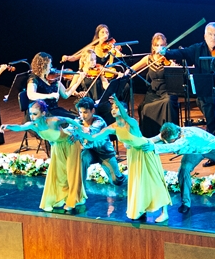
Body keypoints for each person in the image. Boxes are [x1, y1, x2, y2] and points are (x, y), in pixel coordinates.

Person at [72, 95, 170, 223]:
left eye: (117, 107)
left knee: (154, 181)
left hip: (145, 152)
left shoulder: (131, 122)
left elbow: (126, 117)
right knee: (138, 183)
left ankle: (165, 212)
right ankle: (141, 208)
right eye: (113, 107)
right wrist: (79, 131)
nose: (114, 110)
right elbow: (93, 138)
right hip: (133, 155)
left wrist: (118, 101)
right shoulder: (112, 127)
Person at [162, 22, 215, 150]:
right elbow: (180, 53)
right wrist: (166, 52)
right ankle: (213, 154)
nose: (213, 37)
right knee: (211, 126)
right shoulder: (197, 49)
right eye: (210, 34)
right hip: (206, 94)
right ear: (205, 36)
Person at [1, 101, 86, 213]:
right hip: (56, 147)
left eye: (35, 114)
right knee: (60, 175)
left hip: (70, 144)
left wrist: (80, 130)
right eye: (31, 114)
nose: (32, 117)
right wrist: (7, 126)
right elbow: (20, 127)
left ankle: (72, 201)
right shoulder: (34, 125)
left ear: (43, 113)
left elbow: (69, 120)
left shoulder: (54, 121)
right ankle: (63, 196)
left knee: (71, 173)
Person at [132, 32, 179, 137]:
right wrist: (125, 73)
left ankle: (170, 134)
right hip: (153, 93)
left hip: (167, 91)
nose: (159, 48)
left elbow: (176, 76)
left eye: (162, 45)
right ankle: (152, 135)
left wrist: (173, 66)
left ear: (165, 46)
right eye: (157, 45)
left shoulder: (169, 58)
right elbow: (133, 69)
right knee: (145, 107)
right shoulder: (148, 59)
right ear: (153, 47)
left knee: (168, 102)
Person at [73, 97, 124, 186]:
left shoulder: (99, 122)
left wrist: (77, 132)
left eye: (85, 112)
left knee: (117, 180)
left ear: (92, 111)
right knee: (82, 158)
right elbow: (69, 130)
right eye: (80, 112)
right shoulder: (78, 121)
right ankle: (80, 188)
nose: (82, 115)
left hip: (104, 153)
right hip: (89, 152)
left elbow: (89, 135)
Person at [25, 52, 81, 119]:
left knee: (77, 119)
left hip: (54, 111)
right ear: (43, 65)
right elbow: (31, 95)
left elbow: (66, 94)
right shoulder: (33, 78)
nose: (51, 66)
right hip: (41, 114)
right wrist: (50, 95)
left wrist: (79, 79)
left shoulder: (52, 78)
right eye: (50, 64)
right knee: (70, 122)